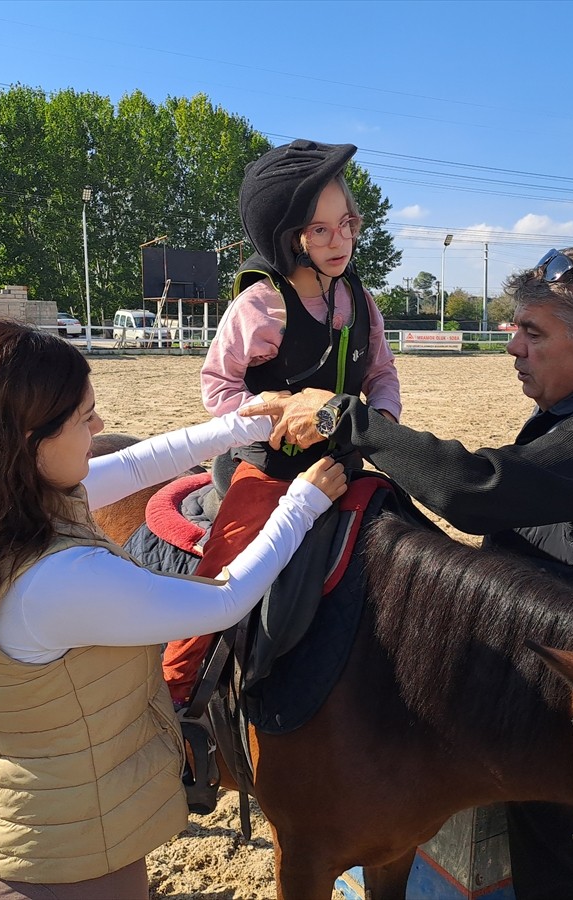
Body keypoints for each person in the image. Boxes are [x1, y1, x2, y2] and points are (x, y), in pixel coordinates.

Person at [245, 245, 573, 899]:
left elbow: (477, 488)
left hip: (566, 696)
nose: (513, 347)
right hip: (557, 669)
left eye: (532, 332)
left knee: (555, 866)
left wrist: (349, 419)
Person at [0, 319, 345, 900]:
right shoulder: (57, 579)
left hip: (15, 823)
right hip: (67, 861)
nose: (101, 427)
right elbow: (225, 599)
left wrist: (248, 422)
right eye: (85, 418)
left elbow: (131, 467)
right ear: (30, 441)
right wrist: (302, 503)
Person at [161, 138, 401, 703]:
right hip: (270, 469)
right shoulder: (259, 305)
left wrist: (381, 422)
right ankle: (179, 694)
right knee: (222, 572)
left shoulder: (361, 300)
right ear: (291, 236)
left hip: (342, 464)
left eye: (347, 224)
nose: (340, 240)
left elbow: (381, 373)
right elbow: (217, 384)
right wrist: (268, 419)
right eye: (320, 230)